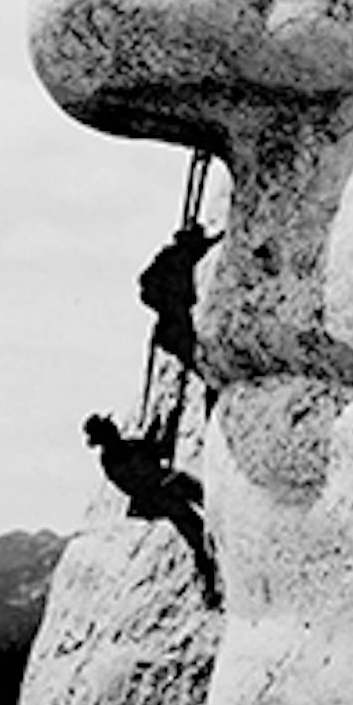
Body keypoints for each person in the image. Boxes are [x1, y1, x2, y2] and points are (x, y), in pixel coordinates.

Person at [83, 411, 221, 608]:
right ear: (104, 436)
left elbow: (158, 451)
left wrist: (165, 428)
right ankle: (210, 588)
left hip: (168, 489)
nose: (115, 428)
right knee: (197, 536)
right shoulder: (114, 459)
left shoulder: (126, 447)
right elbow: (143, 474)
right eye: (109, 428)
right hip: (162, 497)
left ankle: (210, 585)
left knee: (204, 515)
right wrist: (161, 437)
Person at [137, 221, 221, 389]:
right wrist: (168, 301)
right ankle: (209, 381)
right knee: (187, 347)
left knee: (189, 350)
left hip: (175, 313)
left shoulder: (178, 253)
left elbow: (145, 286)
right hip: (175, 314)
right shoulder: (178, 255)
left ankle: (208, 380)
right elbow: (146, 284)